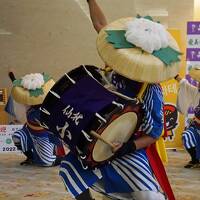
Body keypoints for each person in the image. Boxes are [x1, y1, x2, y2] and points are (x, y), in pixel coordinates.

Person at [58, 1, 182, 200]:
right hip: (94, 141)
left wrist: (126, 148)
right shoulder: (114, 67)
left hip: (128, 150)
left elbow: (154, 133)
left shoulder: (151, 90)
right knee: (69, 170)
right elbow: (101, 26)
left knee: (150, 197)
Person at [7, 71, 65, 166]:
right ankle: (31, 158)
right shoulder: (30, 106)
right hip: (29, 131)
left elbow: (52, 126)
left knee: (47, 162)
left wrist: (57, 145)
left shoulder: (42, 111)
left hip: (43, 137)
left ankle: (60, 159)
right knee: (17, 137)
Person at [175, 72, 200, 168]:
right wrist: (174, 75)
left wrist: (197, 121)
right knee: (187, 135)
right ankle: (195, 160)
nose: (198, 84)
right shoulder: (197, 92)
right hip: (197, 128)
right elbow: (185, 84)